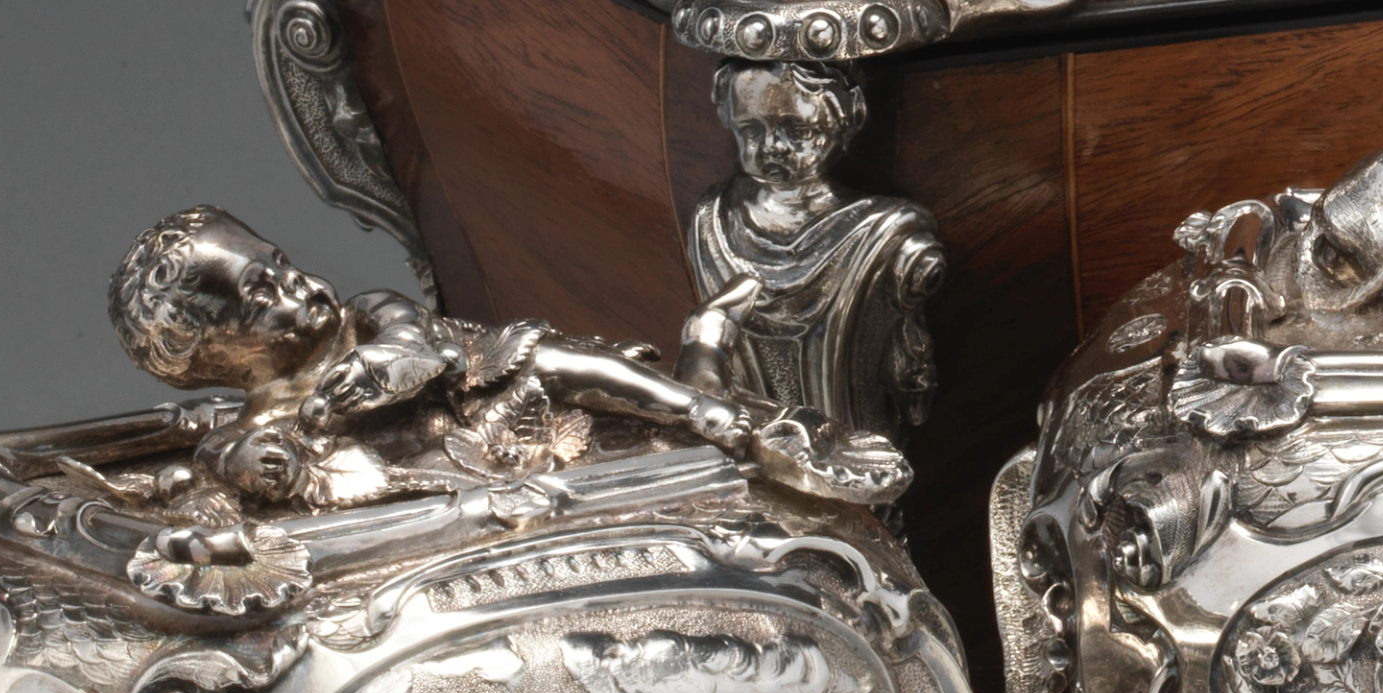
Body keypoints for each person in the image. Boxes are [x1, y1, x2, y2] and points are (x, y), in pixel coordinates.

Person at [106, 207, 897, 510]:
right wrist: (259, 461)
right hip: (488, 479)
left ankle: (714, 408)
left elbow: (417, 340)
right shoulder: (262, 424)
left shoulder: (364, 315)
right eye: (260, 297)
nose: (297, 284)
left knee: (543, 357)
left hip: (497, 394)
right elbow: (232, 461)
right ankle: (707, 347)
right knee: (654, 462)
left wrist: (385, 369)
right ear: (218, 357)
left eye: (279, 262)